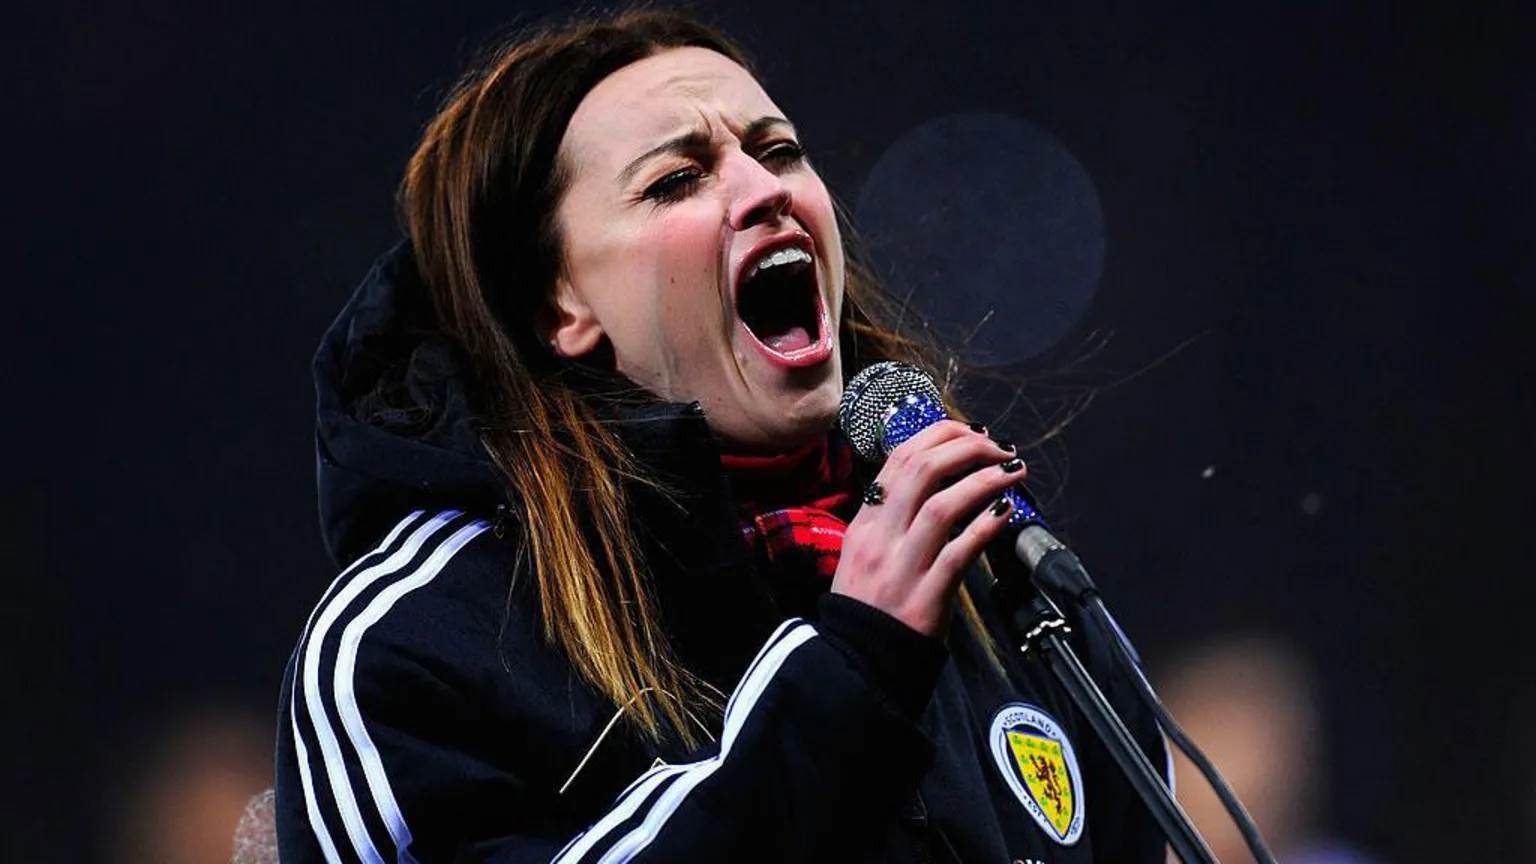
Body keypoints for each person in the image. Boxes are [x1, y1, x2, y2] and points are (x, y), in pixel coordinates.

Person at [275, 9, 1168, 862]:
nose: (765, 189)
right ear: (560, 306)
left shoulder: (1008, 585)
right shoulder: (418, 643)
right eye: (676, 180)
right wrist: (850, 673)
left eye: (780, 152)